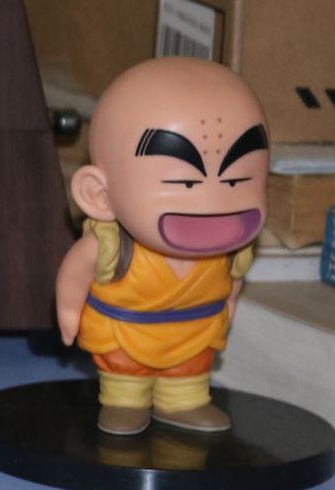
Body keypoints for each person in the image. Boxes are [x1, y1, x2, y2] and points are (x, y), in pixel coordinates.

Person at [54, 57, 267, 436]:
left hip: (195, 332)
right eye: (186, 184)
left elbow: (232, 283)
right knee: (125, 371)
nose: (213, 203)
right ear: (99, 195)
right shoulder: (109, 244)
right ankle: (124, 402)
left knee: (189, 370)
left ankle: (184, 402)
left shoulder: (232, 252)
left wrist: (230, 304)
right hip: (124, 333)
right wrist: (69, 311)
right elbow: (75, 273)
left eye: (237, 181)